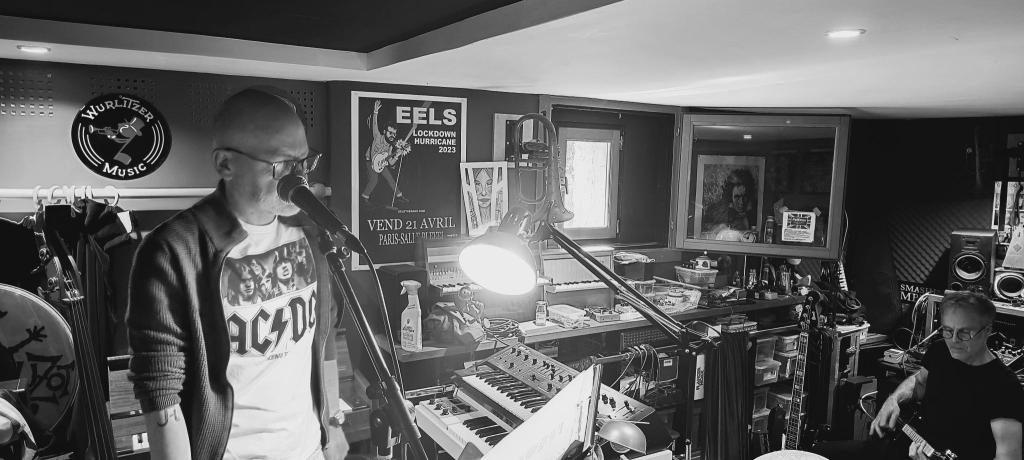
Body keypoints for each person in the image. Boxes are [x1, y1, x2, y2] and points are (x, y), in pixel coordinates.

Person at [126, 87, 348, 460]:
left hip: (309, 449)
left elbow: (323, 336)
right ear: (225, 164)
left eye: (304, 161)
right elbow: (161, 392)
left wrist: (333, 424)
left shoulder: (312, 232)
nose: (298, 179)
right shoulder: (172, 251)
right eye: (282, 165)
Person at [813, 291, 1023, 460]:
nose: (954, 340)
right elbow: (919, 382)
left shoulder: (1004, 387)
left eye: (964, 333)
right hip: (900, 447)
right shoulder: (941, 350)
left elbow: (1008, 456)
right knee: (814, 454)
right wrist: (893, 400)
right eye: (948, 330)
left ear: (987, 330)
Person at [360, 99, 409, 207]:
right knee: (374, 180)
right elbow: (374, 124)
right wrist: (375, 112)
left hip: (381, 163)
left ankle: (399, 197)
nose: (392, 135)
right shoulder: (377, 136)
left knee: (390, 178)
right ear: (384, 131)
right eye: (390, 132)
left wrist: (397, 155)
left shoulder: (391, 146)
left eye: (394, 134)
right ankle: (364, 197)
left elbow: (390, 162)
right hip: (370, 161)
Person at [703, 168, 757, 235]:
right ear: (730, 196)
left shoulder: (754, 213)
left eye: (745, 197)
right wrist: (718, 227)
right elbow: (704, 226)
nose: (741, 202)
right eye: (737, 197)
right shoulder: (717, 211)